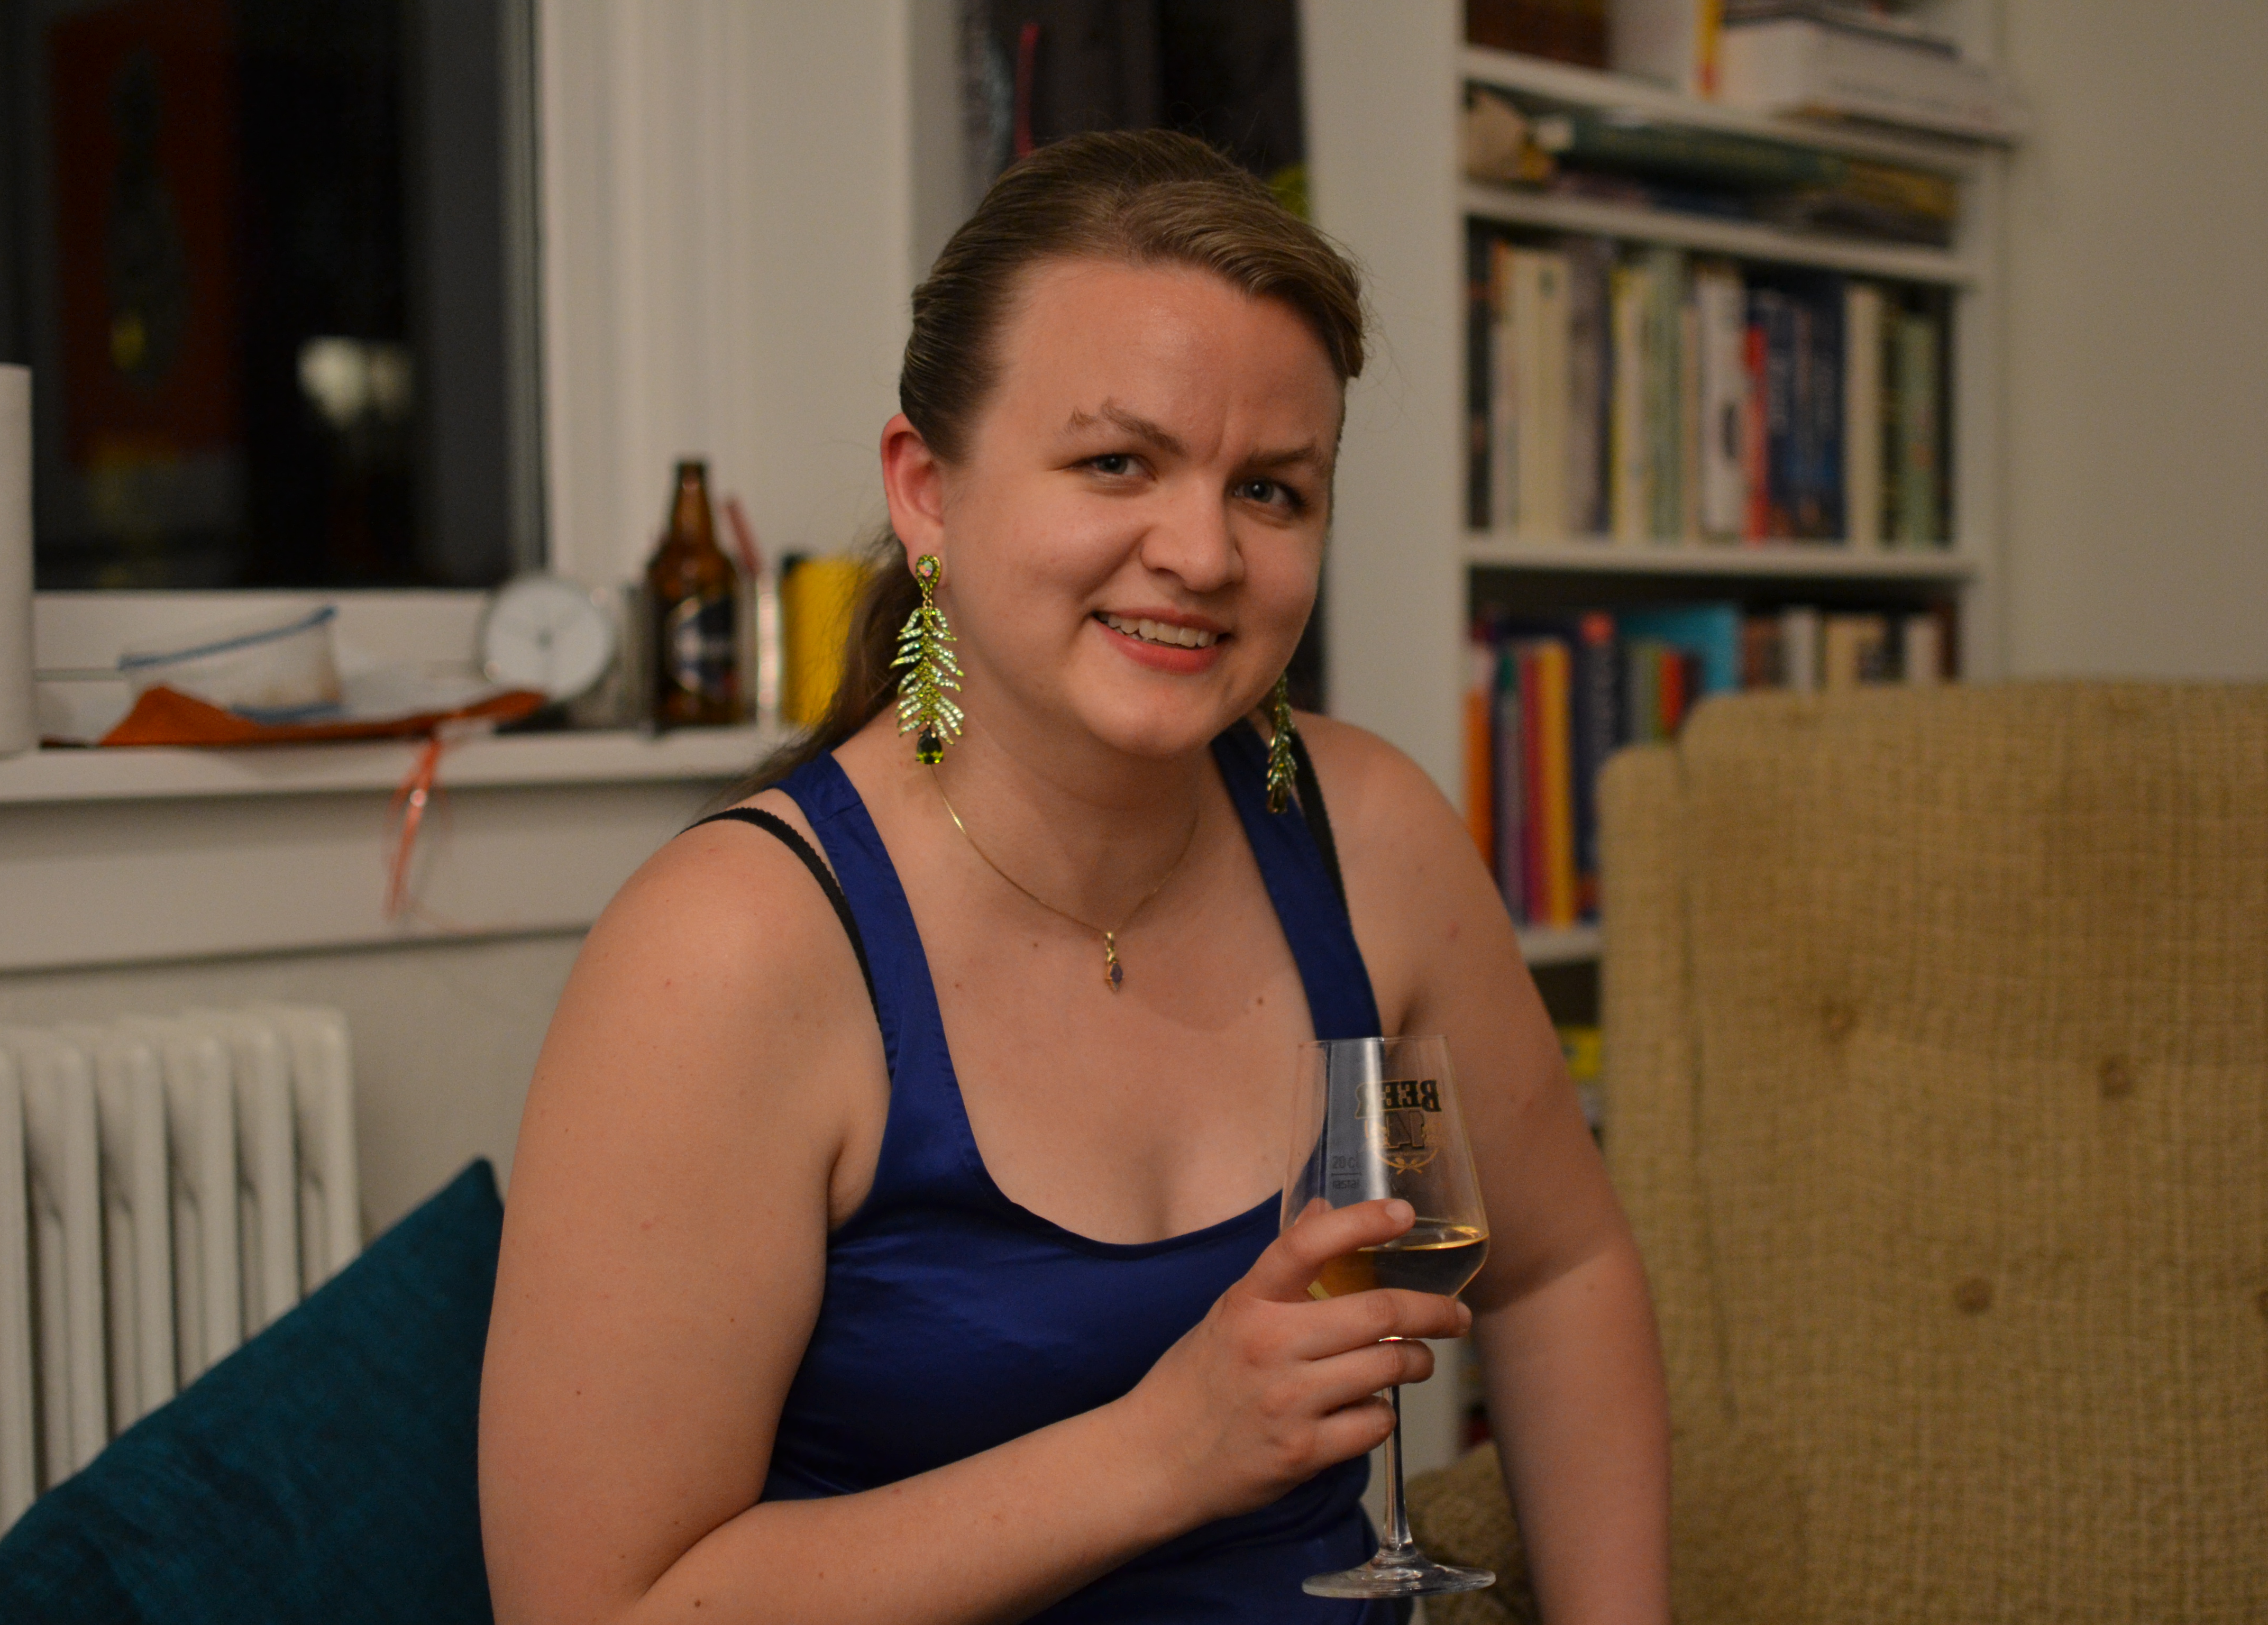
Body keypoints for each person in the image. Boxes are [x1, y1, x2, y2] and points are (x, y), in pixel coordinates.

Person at [478, 130, 1668, 1624]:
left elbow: (1558, 1275)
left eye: (1272, 491)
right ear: (927, 489)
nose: (1204, 553)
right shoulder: (728, 951)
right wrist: (1163, 1454)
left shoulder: (1369, 833)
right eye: (1118, 463)